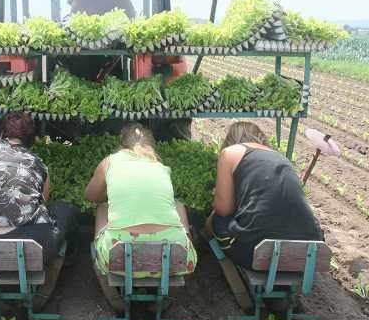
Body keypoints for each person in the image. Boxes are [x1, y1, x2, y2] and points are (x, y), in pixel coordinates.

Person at [0, 112, 78, 302]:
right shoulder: (37, 162)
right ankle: (65, 266)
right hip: (30, 244)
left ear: (0, 131)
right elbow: (43, 199)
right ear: (31, 137)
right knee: (64, 209)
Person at [85, 123, 197, 308]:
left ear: (122, 145)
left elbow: (90, 196)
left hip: (118, 255)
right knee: (177, 204)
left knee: (102, 207)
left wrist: (113, 195)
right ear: (152, 146)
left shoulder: (110, 162)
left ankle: (116, 301)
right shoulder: (160, 167)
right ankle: (164, 303)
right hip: (172, 256)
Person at [204, 122, 324, 269]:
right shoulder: (280, 157)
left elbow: (224, 209)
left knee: (217, 219)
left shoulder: (230, 152)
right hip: (309, 251)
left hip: (256, 252)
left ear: (231, 139)